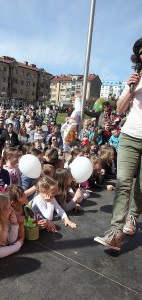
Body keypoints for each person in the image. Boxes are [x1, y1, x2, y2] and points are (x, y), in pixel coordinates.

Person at [94, 37, 142, 251]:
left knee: (141, 187)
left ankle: (133, 216)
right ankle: (115, 232)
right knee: (123, 183)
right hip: (130, 137)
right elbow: (121, 109)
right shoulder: (135, 78)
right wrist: (131, 89)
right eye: (141, 52)